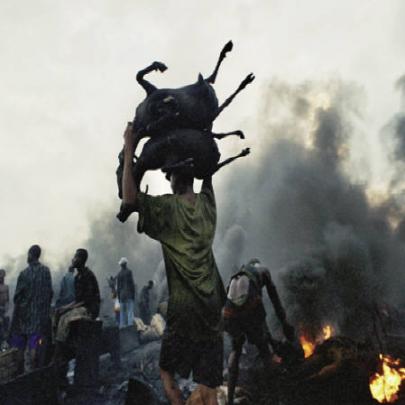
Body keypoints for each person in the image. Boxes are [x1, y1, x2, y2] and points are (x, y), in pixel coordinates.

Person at [121, 122, 226, 405]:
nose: (167, 180)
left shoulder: (167, 210)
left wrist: (130, 145)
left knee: (167, 374)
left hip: (185, 309)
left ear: (175, 178)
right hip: (213, 306)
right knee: (209, 387)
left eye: (168, 175)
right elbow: (210, 171)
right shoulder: (208, 204)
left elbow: (129, 198)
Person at [223, 258, 296, 405]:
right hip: (249, 306)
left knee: (236, 351)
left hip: (229, 312)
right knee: (264, 351)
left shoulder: (237, 276)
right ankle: (275, 397)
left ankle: (229, 400)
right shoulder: (263, 271)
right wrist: (285, 324)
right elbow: (275, 300)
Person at [10, 245, 53, 373]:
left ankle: (23, 374)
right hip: (41, 319)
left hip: (25, 319)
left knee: (21, 349)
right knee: (37, 345)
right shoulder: (46, 271)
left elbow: (17, 298)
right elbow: (50, 293)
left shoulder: (24, 274)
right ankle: (35, 373)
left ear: (30, 255)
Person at [53, 248, 100, 363]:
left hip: (90, 309)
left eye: (75, 257)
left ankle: (60, 353)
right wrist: (64, 308)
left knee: (65, 319)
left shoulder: (88, 275)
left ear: (81, 259)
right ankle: (59, 347)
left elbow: (86, 300)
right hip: (82, 306)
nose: (73, 259)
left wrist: (68, 308)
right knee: (58, 314)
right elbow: (77, 300)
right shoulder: (77, 277)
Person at [116, 257, 136, 328]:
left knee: (122, 313)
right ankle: (130, 327)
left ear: (121, 265)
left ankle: (122, 327)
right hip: (128, 295)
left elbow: (118, 287)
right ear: (126, 264)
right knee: (130, 311)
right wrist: (133, 295)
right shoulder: (129, 272)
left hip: (122, 296)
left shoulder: (119, 274)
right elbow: (132, 284)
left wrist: (118, 297)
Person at [0, 269, 10, 344]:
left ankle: (5, 343)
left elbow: (7, 300)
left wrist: (7, 309)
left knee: (6, 327)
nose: (2, 278)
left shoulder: (6, 287)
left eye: (2, 277)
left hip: (5, 310)